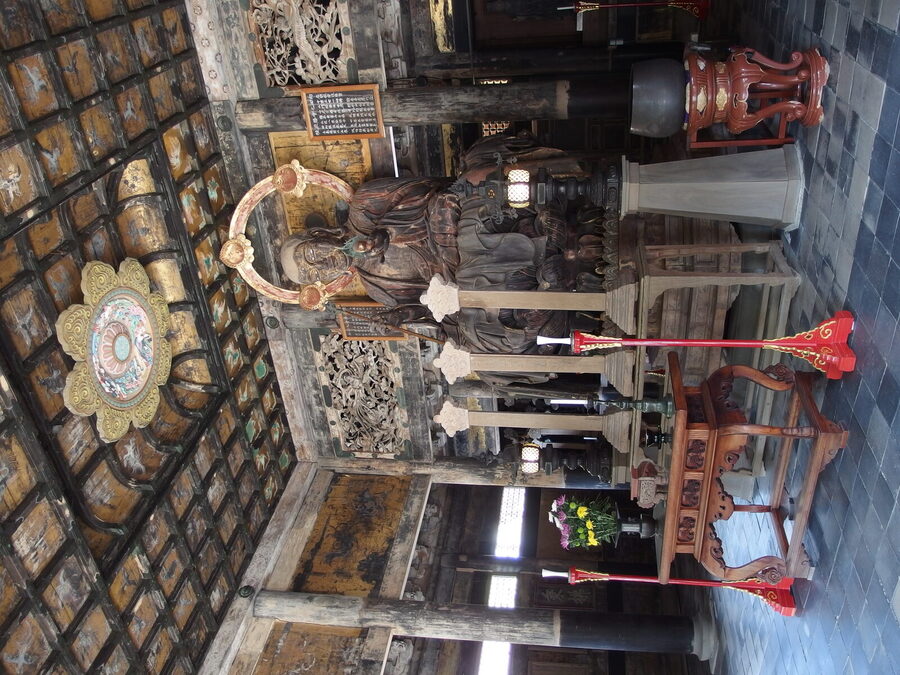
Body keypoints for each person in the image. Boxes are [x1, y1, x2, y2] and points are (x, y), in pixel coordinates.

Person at [280, 132, 586, 354]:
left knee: (465, 219)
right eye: (318, 273)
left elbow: (426, 190)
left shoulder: (363, 206)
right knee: (476, 338)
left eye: (313, 255)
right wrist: (400, 316)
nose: (325, 263)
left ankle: (549, 234)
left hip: (445, 223)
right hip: (453, 277)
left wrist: (386, 234)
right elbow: (427, 308)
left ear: (319, 234)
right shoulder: (374, 286)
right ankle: (552, 297)